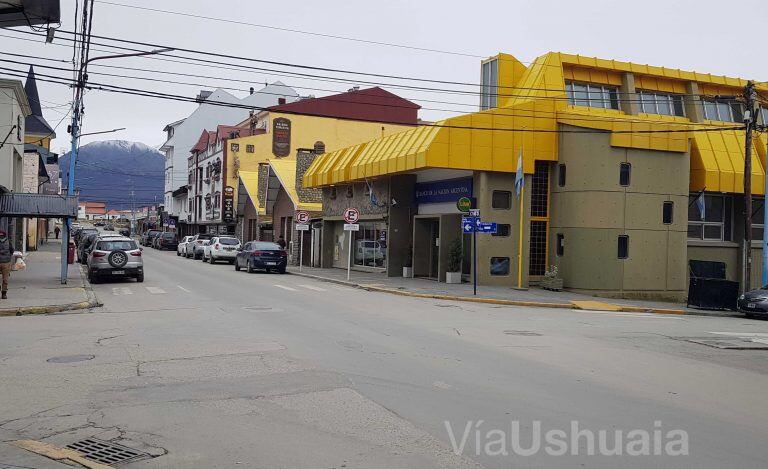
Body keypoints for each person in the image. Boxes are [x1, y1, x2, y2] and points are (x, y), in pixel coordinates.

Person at [0, 230, 14, 300]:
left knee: (5, 279)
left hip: (6, 263)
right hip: (6, 262)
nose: (1, 237)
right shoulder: (9, 241)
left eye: (2, 235)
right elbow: (12, 251)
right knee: (5, 279)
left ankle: (4, 293)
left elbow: (12, 250)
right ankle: (3, 293)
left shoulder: (9, 242)